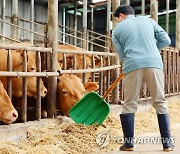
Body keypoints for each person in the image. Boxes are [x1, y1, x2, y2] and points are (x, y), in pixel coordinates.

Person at [112, 4, 174, 152]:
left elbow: (121, 56)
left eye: (117, 19)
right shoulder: (149, 21)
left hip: (132, 64)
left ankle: (129, 144)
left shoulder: (117, 31)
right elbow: (166, 40)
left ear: (121, 16)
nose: (118, 22)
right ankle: (167, 144)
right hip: (154, 62)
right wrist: (151, 48)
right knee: (160, 102)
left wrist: (133, 59)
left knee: (129, 104)